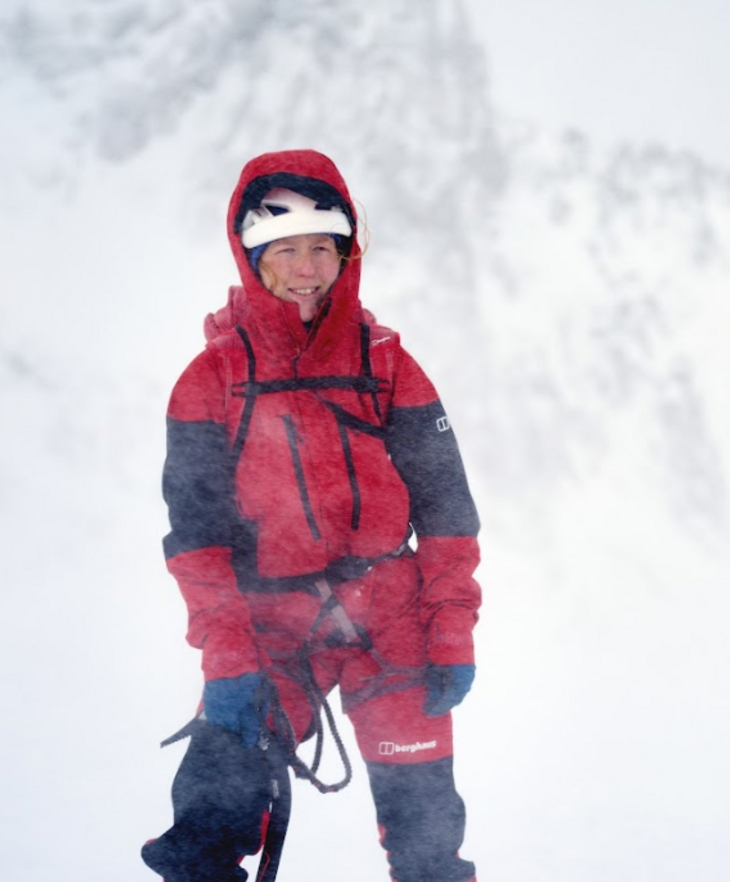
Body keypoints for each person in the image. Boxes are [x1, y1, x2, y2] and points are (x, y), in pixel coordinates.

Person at [143, 149, 482, 882]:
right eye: (286, 250)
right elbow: (196, 540)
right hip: (269, 626)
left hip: (391, 616)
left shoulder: (389, 364)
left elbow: (449, 510)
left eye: (322, 249)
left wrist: (450, 623)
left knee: (428, 842)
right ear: (252, 255)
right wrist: (228, 656)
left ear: (346, 252)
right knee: (208, 822)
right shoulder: (210, 383)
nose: (306, 268)